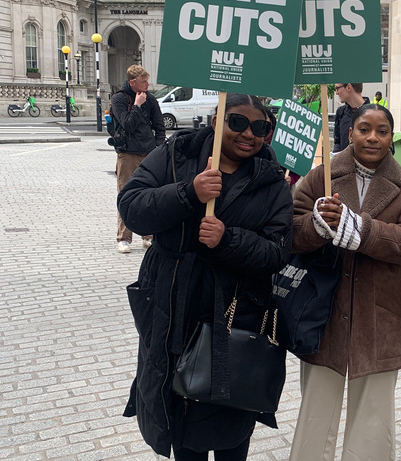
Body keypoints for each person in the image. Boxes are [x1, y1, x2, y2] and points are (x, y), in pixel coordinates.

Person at [117, 94, 293, 460]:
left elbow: (277, 251)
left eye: (260, 128)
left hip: (234, 317)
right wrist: (188, 193)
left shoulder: (272, 180)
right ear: (216, 121)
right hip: (171, 309)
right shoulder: (175, 155)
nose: (248, 134)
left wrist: (227, 240)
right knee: (178, 418)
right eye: (237, 123)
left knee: (230, 425)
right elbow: (132, 208)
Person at [289, 104, 401, 460]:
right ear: (349, 133)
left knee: (373, 420)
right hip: (324, 312)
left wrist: (359, 229)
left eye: (382, 131)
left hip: (378, 316)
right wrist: (317, 223)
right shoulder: (322, 176)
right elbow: (291, 226)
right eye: (364, 128)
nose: (372, 137)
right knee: (316, 413)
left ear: (391, 138)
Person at [112, 64, 165, 253]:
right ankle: (124, 238)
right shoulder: (119, 98)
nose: (147, 85)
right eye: (144, 82)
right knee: (126, 194)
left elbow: (159, 124)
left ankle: (148, 235)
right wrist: (136, 105)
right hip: (127, 153)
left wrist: (159, 146)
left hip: (148, 152)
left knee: (150, 193)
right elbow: (127, 124)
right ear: (133, 82)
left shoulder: (150, 99)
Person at [332, 82, 367, 153]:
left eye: (338, 88)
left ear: (348, 87)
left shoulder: (374, 113)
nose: (336, 92)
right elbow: (337, 142)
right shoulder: (340, 112)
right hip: (344, 163)